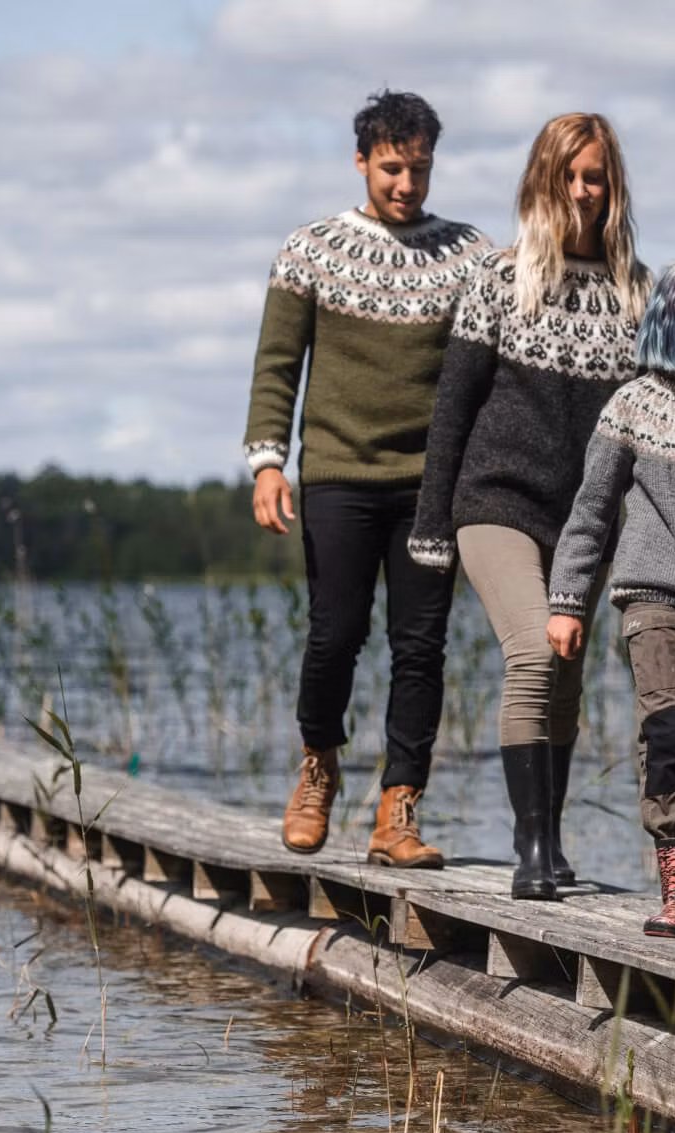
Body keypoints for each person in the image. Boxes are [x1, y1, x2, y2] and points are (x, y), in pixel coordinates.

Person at [242, 90, 491, 867]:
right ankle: (318, 765)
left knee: (420, 647)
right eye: (392, 168)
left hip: (429, 486)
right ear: (361, 161)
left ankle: (398, 811)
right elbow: (278, 364)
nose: (407, 185)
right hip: (338, 476)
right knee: (334, 636)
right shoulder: (311, 248)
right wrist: (267, 462)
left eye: (419, 169)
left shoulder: (471, 256)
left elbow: (496, 369)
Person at [410, 113, 650, 901]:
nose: (586, 193)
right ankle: (532, 844)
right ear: (545, 182)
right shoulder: (499, 278)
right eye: (573, 176)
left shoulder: (636, 295)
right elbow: (454, 407)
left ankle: (550, 835)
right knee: (534, 655)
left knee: (569, 677)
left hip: (584, 522)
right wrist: (431, 522)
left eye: (599, 179)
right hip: (496, 502)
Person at [545, 256, 675, 938]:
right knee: (667, 726)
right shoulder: (632, 404)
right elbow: (591, 509)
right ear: (666, 323)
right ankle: (674, 874)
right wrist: (567, 600)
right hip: (652, 592)